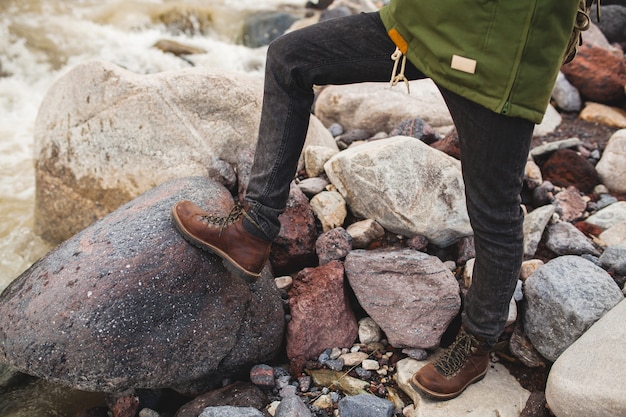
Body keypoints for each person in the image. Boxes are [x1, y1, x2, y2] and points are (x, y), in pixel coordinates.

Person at [172, 0, 583, 401]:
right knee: (289, 58)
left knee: (494, 210)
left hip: (502, 54)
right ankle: (253, 228)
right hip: (429, 21)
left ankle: (476, 343)